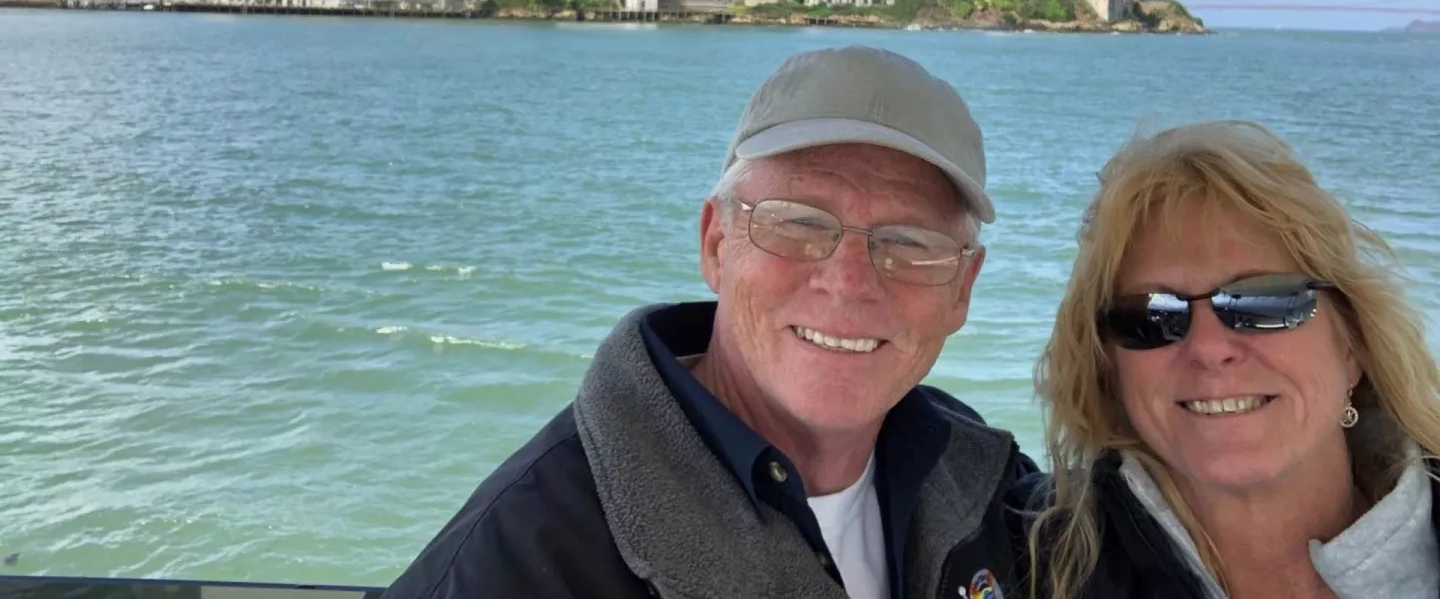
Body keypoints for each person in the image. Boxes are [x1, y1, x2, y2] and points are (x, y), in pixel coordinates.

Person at [379, 46, 1038, 599]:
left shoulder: (981, 482)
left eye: (909, 243)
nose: (848, 282)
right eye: (798, 223)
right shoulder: (518, 557)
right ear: (716, 245)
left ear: (963, 289)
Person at [1016, 119, 1440, 599]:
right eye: (1153, 315)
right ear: (1109, 365)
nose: (1208, 349)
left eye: (1262, 301)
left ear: (1352, 344)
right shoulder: (1022, 565)